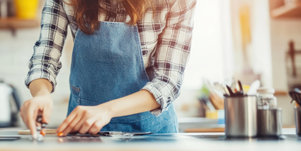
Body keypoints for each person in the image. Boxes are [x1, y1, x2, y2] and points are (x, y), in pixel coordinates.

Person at [21, 0, 196, 137]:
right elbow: (44, 59)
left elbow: (168, 81)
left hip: (151, 133)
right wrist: (41, 95)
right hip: (85, 133)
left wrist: (107, 110)